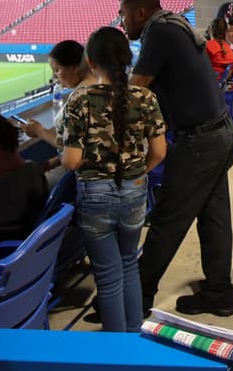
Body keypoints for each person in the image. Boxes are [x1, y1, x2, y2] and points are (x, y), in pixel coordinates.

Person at [120, 0, 233, 317]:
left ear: (140, 13)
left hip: (200, 142)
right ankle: (219, 293)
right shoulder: (173, 25)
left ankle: (134, 301)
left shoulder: (158, 31)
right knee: (214, 218)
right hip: (219, 134)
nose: (121, 22)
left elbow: (136, 89)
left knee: (167, 220)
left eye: (123, 15)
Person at [59, 26, 167, 331]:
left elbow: (71, 161)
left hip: (95, 194)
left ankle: (116, 344)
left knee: (107, 275)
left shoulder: (79, 99)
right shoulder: (145, 97)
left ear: (90, 62)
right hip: (135, 190)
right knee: (129, 264)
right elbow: (159, 152)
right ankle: (132, 335)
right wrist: (138, 172)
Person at [15, 39, 90, 181]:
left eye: (57, 70)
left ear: (74, 68)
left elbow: (73, 155)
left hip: (80, 176)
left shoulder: (79, 98)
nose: (54, 76)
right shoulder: (92, 89)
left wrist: (39, 131)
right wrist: (53, 162)